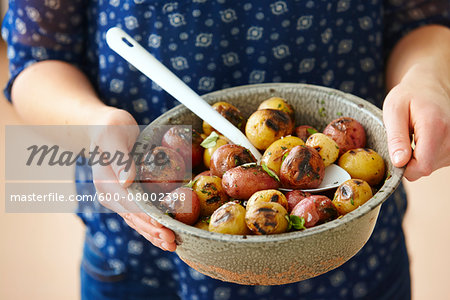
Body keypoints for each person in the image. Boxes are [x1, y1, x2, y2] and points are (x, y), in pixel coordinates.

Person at [2, 0, 449, 299]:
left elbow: (422, 16)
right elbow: (35, 57)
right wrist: (94, 127)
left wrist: (428, 77)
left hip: (352, 260)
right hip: (147, 259)